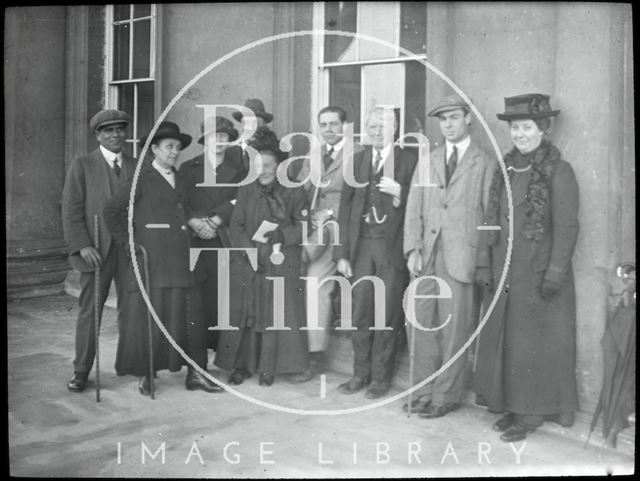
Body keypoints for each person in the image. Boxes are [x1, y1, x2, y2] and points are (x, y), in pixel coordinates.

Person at [473, 93, 579, 442]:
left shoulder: (558, 171)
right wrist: (484, 263)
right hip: (505, 273)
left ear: (543, 129)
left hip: (537, 275)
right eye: (515, 128)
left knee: (531, 344)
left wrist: (555, 273)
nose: (520, 134)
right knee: (506, 342)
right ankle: (512, 406)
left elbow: (566, 227)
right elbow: (490, 220)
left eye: (527, 127)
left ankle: (530, 413)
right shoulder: (505, 169)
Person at [103, 121, 223, 395]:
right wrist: (130, 243)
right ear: (155, 149)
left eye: (178, 148)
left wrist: (196, 223)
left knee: (192, 317)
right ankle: (147, 374)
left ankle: (196, 373)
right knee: (152, 318)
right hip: (155, 262)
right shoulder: (140, 179)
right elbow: (112, 212)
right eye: (169, 147)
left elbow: (185, 208)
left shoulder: (181, 179)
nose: (174, 152)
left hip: (185, 260)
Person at [403, 94, 496, 418]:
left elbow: (489, 215)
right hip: (427, 254)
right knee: (420, 322)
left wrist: (482, 260)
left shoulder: (483, 161)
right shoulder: (429, 158)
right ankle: (423, 390)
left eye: (454, 117)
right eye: (443, 120)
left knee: (455, 329)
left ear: (468, 118)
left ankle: (446, 395)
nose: (449, 124)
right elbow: (415, 205)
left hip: (461, 259)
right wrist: (413, 247)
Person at [334, 107, 417, 399]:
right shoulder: (355, 162)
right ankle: (360, 374)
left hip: (390, 248)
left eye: (382, 127)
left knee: (387, 313)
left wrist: (401, 193)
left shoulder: (410, 161)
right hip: (360, 248)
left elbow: (421, 208)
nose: (377, 132)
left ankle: (381, 379)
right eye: (372, 127)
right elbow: (344, 210)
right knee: (360, 312)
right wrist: (342, 254)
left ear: (394, 129)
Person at [214, 138, 310, 386]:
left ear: (279, 167)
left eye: (269, 165)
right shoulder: (247, 190)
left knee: (277, 308)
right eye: (259, 165)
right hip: (250, 257)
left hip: (281, 255)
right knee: (245, 309)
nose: (263, 170)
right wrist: (249, 251)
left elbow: (304, 226)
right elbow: (236, 224)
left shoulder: (294, 190)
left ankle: (270, 367)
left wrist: (283, 235)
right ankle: (240, 365)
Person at [62, 109, 134, 393]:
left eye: (120, 129)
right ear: (98, 135)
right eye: (109, 130)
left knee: (133, 311)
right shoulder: (82, 165)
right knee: (90, 312)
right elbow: (71, 210)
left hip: (128, 251)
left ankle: (134, 364)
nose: (116, 134)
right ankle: (81, 370)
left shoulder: (136, 164)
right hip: (96, 251)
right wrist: (82, 245)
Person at [292, 105, 364, 383]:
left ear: (345, 126)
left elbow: (357, 194)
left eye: (334, 124)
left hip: (342, 229)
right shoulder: (314, 155)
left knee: (315, 285)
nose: (329, 130)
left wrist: (331, 211)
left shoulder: (357, 153)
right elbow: (300, 190)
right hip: (314, 229)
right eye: (323, 125)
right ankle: (298, 349)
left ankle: (314, 356)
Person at [179, 116, 247, 352]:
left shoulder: (239, 170)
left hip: (224, 236)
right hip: (196, 237)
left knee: (223, 291)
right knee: (199, 291)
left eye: (224, 136)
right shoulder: (188, 168)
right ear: (204, 140)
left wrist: (216, 220)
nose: (219, 141)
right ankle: (199, 344)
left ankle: (220, 344)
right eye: (213, 136)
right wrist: (196, 223)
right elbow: (180, 201)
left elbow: (240, 198)